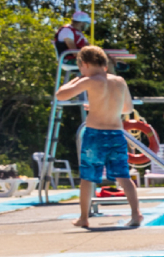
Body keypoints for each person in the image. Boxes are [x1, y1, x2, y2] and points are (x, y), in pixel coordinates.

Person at [56, 46, 141, 228]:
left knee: (88, 177)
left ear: (84, 64)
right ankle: (136, 214)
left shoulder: (88, 80)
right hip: (117, 134)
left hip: (95, 135)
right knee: (123, 177)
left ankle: (83, 218)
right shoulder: (119, 81)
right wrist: (102, 106)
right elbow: (127, 109)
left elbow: (61, 95)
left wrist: (75, 80)